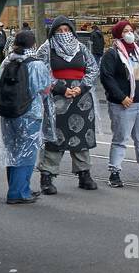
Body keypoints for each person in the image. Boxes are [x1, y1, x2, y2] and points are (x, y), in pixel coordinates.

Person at [35, 17, 100, 192]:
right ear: (53, 32)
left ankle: (84, 173)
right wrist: (61, 88)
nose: (64, 34)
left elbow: (93, 68)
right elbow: (41, 72)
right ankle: (47, 176)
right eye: (59, 31)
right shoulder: (46, 49)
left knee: (82, 134)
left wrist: (81, 87)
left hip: (81, 100)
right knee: (54, 136)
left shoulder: (81, 48)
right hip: (56, 100)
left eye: (67, 30)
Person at [99, 19, 139, 186]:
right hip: (123, 104)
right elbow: (107, 77)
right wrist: (121, 97)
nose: (130, 33)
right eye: (125, 31)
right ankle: (114, 172)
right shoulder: (112, 54)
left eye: (131, 30)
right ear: (118, 35)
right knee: (120, 139)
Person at [0, 30, 51, 203]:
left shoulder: (7, 61)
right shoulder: (36, 64)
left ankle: (17, 188)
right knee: (26, 153)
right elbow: (45, 89)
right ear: (33, 44)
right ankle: (18, 193)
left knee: (12, 151)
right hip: (29, 113)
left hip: (7, 113)